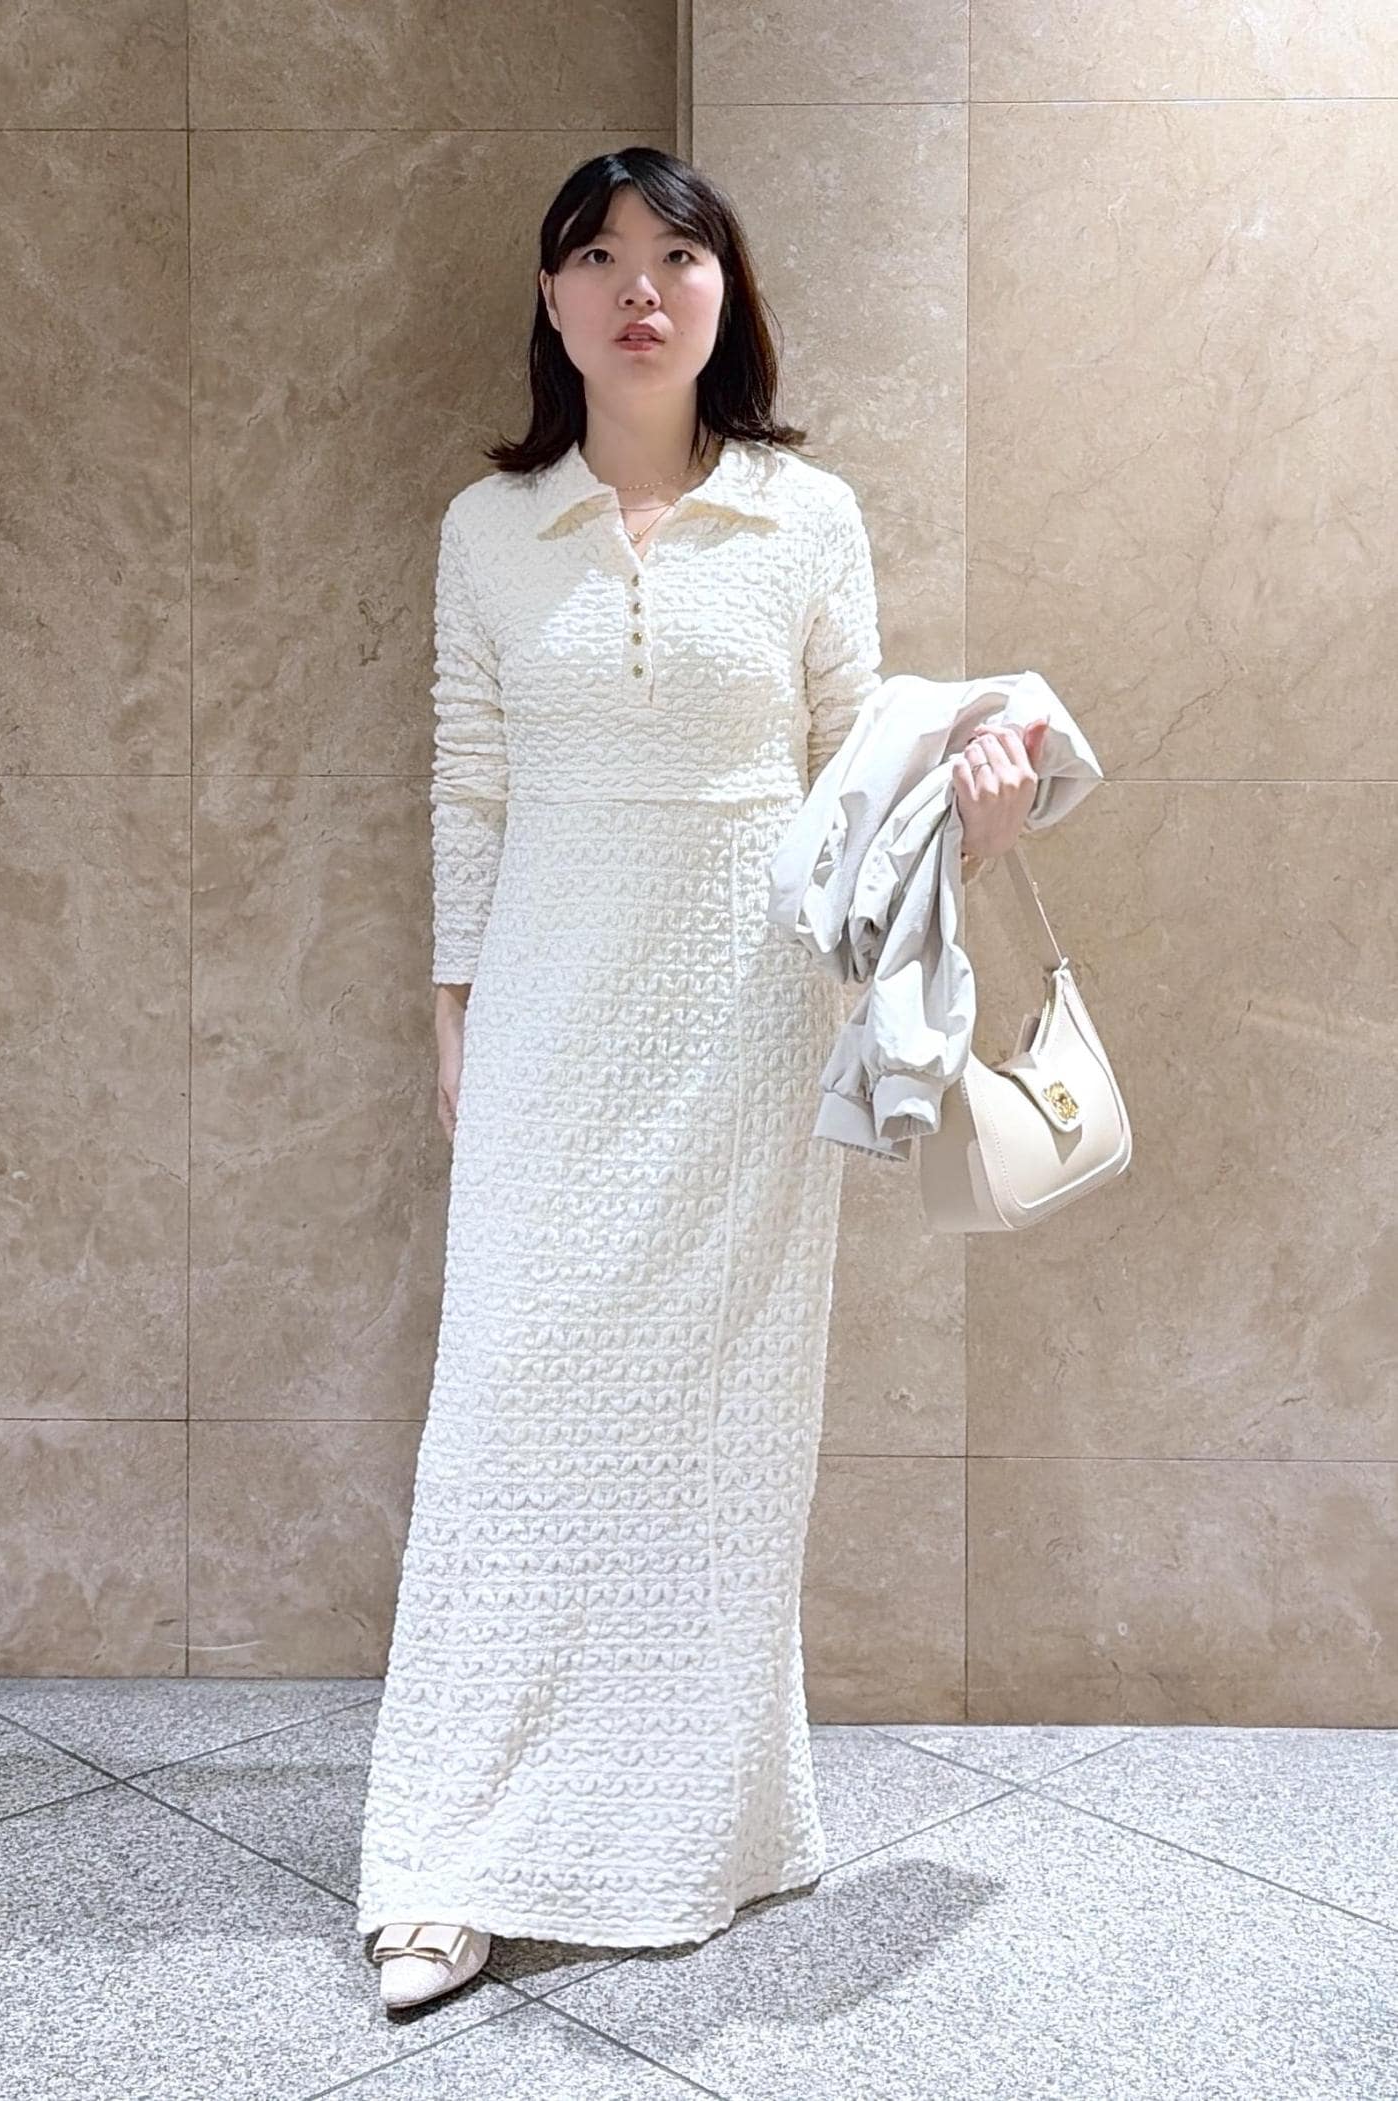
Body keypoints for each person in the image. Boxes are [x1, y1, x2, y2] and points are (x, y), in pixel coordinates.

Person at [356, 145, 1043, 2016]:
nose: (637, 286)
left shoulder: (808, 519)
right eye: (597, 256)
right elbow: (470, 783)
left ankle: (687, 1827)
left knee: (714, 1434)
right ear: (553, 299)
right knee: (504, 1420)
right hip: (550, 1012)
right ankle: (444, 1857)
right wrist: (454, 1011)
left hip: (747, 1030)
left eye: (675, 253)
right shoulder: (487, 529)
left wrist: (969, 820)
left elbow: (859, 779)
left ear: (724, 290)